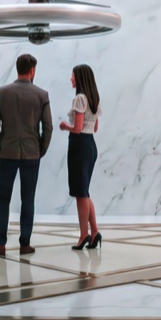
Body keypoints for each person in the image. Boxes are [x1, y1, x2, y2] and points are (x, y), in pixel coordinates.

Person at [0, 53, 52, 256]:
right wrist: (41, 149)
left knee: (3, 199)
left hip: (6, 152)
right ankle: (25, 244)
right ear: (32, 70)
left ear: (18, 69)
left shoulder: (2, 92)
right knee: (28, 199)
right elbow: (48, 127)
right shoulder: (42, 95)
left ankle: (0, 244)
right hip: (31, 154)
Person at [59, 63, 102, 250]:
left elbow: (76, 128)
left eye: (73, 75)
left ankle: (84, 234)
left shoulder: (79, 99)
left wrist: (64, 126)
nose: (71, 78)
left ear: (80, 78)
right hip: (91, 144)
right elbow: (95, 127)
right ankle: (94, 233)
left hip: (79, 146)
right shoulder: (94, 99)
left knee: (80, 193)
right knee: (84, 190)